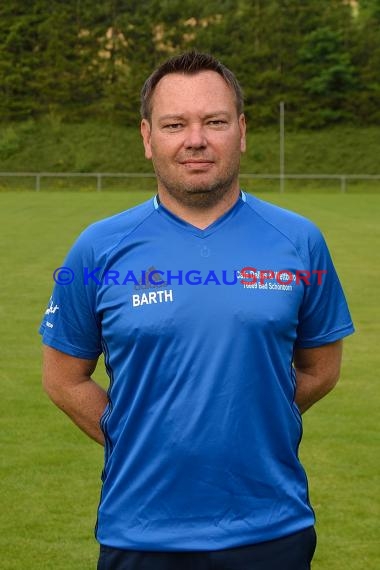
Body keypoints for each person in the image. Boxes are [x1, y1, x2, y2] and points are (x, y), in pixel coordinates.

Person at [40, 51, 354, 570]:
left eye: (214, 121)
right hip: (140, 530)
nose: (195, 139)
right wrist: (141, 434)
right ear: (147, 137)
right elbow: (62, 379)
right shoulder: (98, 248)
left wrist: (255, 419)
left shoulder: (299, 241)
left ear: (242, 130)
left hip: (272, 527)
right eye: (174, 124)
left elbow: (321, 368)